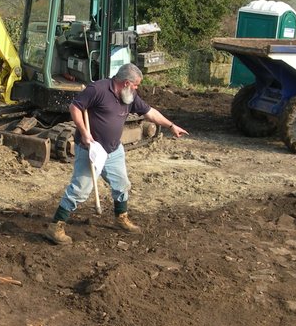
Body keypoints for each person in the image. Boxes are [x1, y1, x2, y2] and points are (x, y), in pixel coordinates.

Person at [45, 63, 189, 245]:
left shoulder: (129, 96)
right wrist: (84, 132)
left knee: (122, 185)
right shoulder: (97, 89)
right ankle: (55, 226)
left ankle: (121, 217)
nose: (137, 88)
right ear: (127, 83)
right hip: (92, 150)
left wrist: (171, 126)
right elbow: (75, 107)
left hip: (114, 150)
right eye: (136, 85)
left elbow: (149, 112)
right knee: (80, 190)